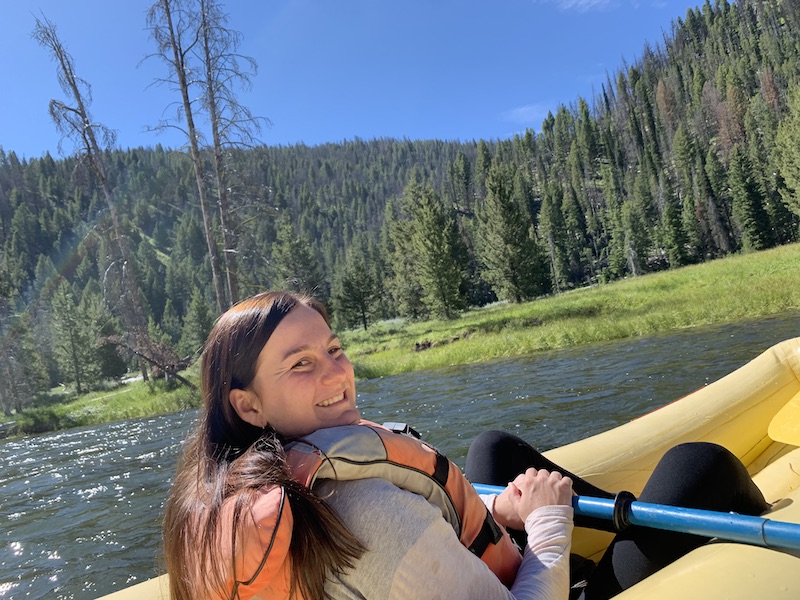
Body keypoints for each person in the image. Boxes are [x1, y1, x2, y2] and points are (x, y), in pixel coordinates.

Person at [163, 290, 574, 600]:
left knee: (493, 448)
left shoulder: (246, 492)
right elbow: (393, 533)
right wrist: (547, 519)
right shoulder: (368, 512)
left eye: (334, 350)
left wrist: (495, 511)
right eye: (301, 363)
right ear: (248, 405)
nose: (337, 374)